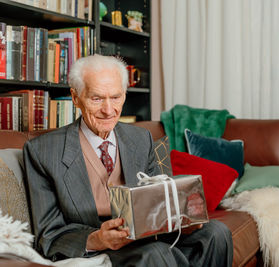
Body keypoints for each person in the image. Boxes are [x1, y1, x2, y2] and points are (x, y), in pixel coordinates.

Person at [23, 54, 233, 266]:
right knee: (155, 253)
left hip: (147, 236)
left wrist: (181, 220)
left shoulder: (141, 139)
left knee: (216, 232)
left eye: (115, 97)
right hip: (99, 245)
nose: (108, 110)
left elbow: (161, 202)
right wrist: (98, 239)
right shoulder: (43, 151)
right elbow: (48, 235)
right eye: (96, 98)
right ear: (75, 97)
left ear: (124, 95)